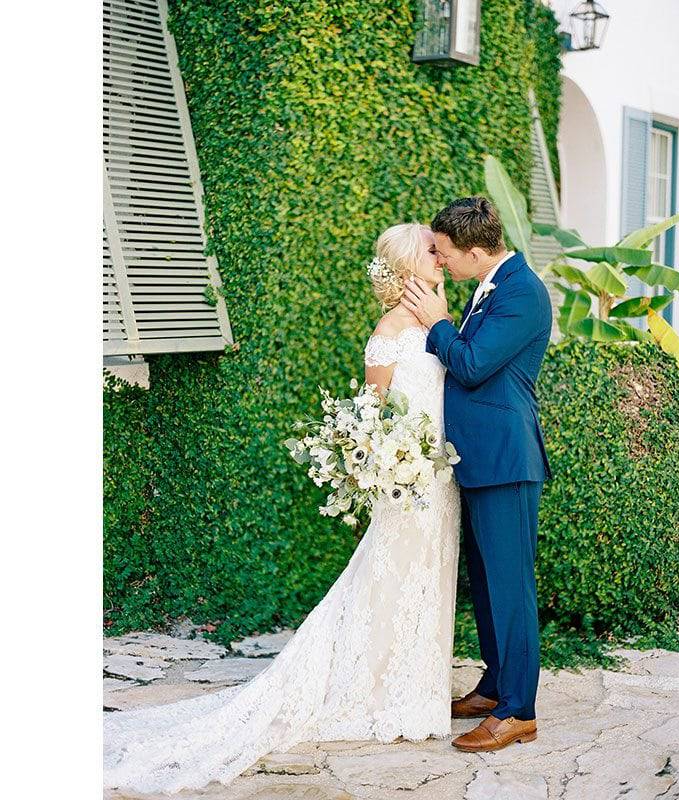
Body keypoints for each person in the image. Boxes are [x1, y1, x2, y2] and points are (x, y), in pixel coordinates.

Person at [103, 222, 461, 795]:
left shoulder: (443, 321)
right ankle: (380, 691)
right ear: (404, 265)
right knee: (393, 579)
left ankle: (417, 687)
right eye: (430, 249)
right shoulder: (388, 333)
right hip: (407, 483)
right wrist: (386, 463)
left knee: (430, 579)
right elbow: (371, 417)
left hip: (440, 480)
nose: (440, 255)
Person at [402, 196, 552, 753]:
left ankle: (519, 710)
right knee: (489, 585)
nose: (440, 262)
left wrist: (437, 323)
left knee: (510, 587)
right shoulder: (493, 285)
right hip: (479, 459)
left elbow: (469, 365)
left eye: (443, 253)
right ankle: (494, 687)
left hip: (507, 460)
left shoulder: (522, 293)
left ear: (473, 250)